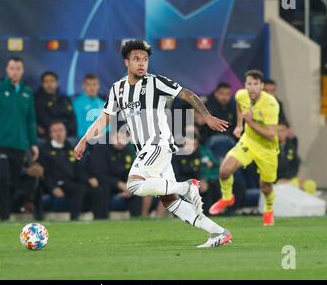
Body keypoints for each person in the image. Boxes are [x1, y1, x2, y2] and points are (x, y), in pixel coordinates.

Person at [74, 40, 232, 248]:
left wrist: (207, 116)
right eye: (136, 59)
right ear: (126, 62)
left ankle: (187, 186)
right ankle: (218, 232)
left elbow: (187, 94)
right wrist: (84, 140)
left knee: (133, 184)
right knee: (170, 202)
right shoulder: (117, 89)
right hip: (147, 150)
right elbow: (104, 118)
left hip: (158, 142)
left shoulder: (155, 82)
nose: (142, 63)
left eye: (145, 59)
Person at [209, 70, 280, 226]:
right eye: (249, 83)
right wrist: (240, 125)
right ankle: (227, 197)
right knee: (224, 170)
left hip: (267, 148)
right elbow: (240, 107)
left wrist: (250, 122)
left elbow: (270, 134)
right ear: (245, 85)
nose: (252, 87)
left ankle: (269, 208)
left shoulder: (271, 104)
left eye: (256, 84)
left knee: (266, 186)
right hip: (248, 141)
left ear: (262, 86)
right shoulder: (241, 95)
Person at [0, 57, 39, 221]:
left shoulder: (27, 93)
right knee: (3, 179)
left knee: (15, 181)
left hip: (20, 144)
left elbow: (30, 119)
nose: (15, 71)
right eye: (12, 68)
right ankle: (4, 217)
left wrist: (33, 143)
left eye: (18, 68)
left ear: (23, 71)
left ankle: (10, 211)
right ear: (7, 70)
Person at [39, 121, 110, 220]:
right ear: (50, 134)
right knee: (79, 189)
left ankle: (100, 219)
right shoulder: (45, 150)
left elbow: (79, 168)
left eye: (61, 130)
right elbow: (44, 173)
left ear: (65, 132)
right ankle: (74, 218)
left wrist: (88, 178)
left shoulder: (70, 148)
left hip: (72, 182)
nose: (58, 133)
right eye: (55, 131)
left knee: (97, 189)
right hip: (58, 183)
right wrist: (53, 187)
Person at [87, 126, 144, 217]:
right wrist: (119, 184)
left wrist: (129, 185)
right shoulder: (100, 148)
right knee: (103, 188)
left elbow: (129, 171)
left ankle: (136, 220)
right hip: (104, 183)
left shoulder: (127, 151)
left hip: (120, 185)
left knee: (136, 189)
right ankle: (101, 220)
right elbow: (99, 175)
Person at [35, 71, 77, 139]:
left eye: (52, 81)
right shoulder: (37, 100)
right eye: (46, 81)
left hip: (67, 136)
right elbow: (44, 120)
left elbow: (72, 120)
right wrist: (59, 129)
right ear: (42, 84)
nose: (49, 84)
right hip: (47, 137)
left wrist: (64, 130)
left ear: (57, 83)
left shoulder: (65, 99)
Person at [72, 74, 106, 139]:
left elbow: (107, 126)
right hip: (84, 139)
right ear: (83, 86)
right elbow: (78, 124)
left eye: (94, 84)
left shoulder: (103, 103)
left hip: (103, 139)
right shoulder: (77, 103)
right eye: (88, 85)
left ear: (98, 86)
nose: (92, 88)